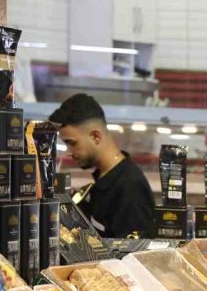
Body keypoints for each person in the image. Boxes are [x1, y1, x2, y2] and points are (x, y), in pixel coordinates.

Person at [49, 93, 155, 238]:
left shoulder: (130, 187)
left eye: (72, 143)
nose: (69, 152)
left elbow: (135, 255)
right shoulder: (103, 181)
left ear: (95, 137)